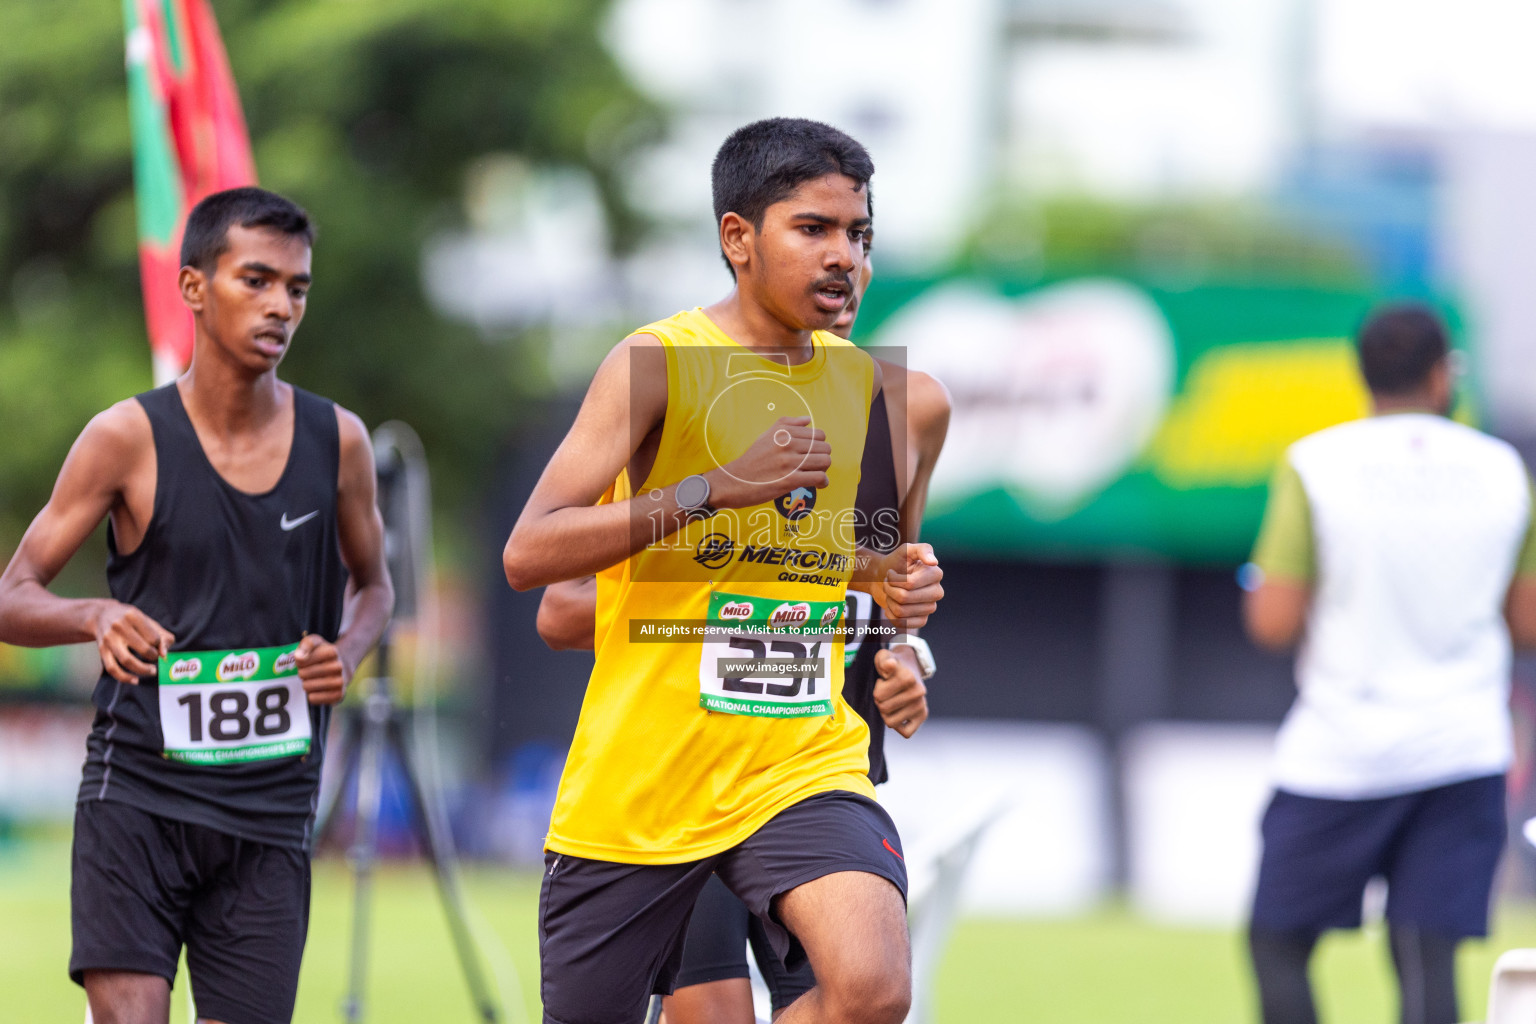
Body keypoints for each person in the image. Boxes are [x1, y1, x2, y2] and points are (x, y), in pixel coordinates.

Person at [502, 118, 945, 1024]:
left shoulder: (885, 398)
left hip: (800, 763)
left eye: (858, 235)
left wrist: (903, 636)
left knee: (872, 989)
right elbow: (531, 557)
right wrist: (715, 490)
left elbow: (868, 584)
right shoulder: (656, 364)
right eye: (812, 229)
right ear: (737, 237)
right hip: (645, 780)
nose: (844, 258)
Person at [0, 187, 393, 1024]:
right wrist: (92, 617)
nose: (281, 305)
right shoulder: (125, 438)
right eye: (256, 280)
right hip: (137, 798)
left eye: (297, 287)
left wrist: (348, 651)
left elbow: (377, 584)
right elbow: (13, 596)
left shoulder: (339, 442)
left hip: (272, 812)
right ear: (192, 288)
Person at [1243, 303, 1536, 1024]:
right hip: (1462, 746)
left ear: (1365, 374)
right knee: (1425, 951)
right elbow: (1528, 620)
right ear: (1441, 375)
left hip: (1341, 750)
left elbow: (1272, 619)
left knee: (1276, 942)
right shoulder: (1503, 469)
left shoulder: (1318, 462)